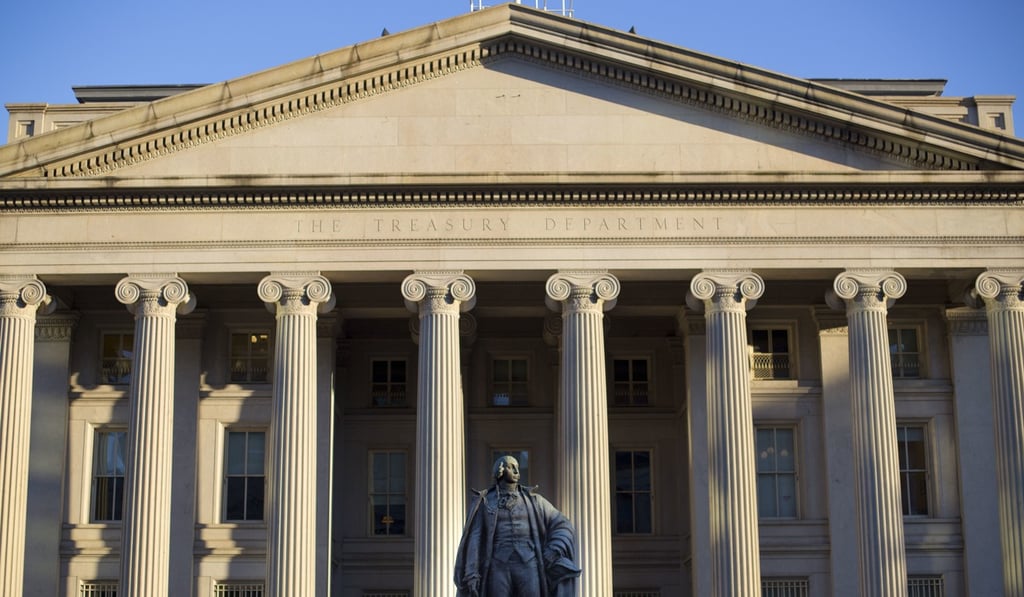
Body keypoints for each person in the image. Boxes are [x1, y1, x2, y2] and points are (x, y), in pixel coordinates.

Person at [454, 455, 580, 597]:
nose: (516, 471)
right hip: (497, 566)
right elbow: (475, 539)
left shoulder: (535, 501)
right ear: (500, 471)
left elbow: (562, 524)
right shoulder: (485, 502)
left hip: (529, 564)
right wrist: (471, 572)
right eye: (511, 467)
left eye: (517, 467)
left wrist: (554, 548)